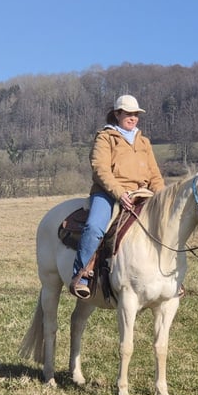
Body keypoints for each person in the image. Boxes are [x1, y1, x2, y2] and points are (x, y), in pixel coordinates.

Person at [70, 94, 165, 299]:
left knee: (165, 226)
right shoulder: (105, 137)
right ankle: (82, 275)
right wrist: (119, 193)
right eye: (128, 114)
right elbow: (100, 169)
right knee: (95, 226)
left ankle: (166, 278)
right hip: (108, 193)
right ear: (117, 114)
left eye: (136, 114)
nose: (133, 118)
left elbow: (154, 174)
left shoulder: (144, 141)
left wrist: (162, 197)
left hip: (142, 193)